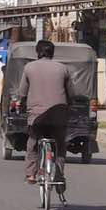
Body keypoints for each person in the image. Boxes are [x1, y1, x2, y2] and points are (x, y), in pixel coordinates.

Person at [19, 39, 77, 188]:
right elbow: (72, 93)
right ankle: (59, 173)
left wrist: (23, 106)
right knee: (60, 144)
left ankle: (31, 174)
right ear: (52, 53)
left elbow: (22, 93)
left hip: (37, 116)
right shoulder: (63, 68)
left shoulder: (29, 68)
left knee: (32, 141)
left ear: (38, 52)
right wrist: (70, 106)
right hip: (58, 114)